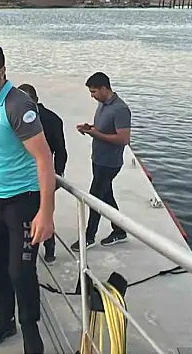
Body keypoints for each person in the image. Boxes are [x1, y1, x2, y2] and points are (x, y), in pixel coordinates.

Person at [0, 41, 55, 354]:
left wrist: (46, 213)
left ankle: (31, 332)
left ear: (2, 70)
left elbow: (44, 159)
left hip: (22, 202)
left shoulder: (18, 105)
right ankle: (5, 320)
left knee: (21, 271)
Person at [70, 72, 131, 251]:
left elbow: (124, 139)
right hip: (98, 159)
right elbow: (103, 129)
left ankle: (89, 237)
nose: (92, 96)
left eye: (94, 91)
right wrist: (90, 128)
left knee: (95, 196)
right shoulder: (103, 105)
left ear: (104, 89)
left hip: (110, 162)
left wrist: (96, 134)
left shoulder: (120, 109)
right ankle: (119, 230)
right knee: (106, 196)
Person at [18, 83, 67, 265]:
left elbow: (61, 151)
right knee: (27, 213)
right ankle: (30, 246)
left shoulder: (51, 120)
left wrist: (58, 175)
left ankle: (48, 247)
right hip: (23, 174)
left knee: (43, 211)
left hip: (40, 174)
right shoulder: (15, 116)